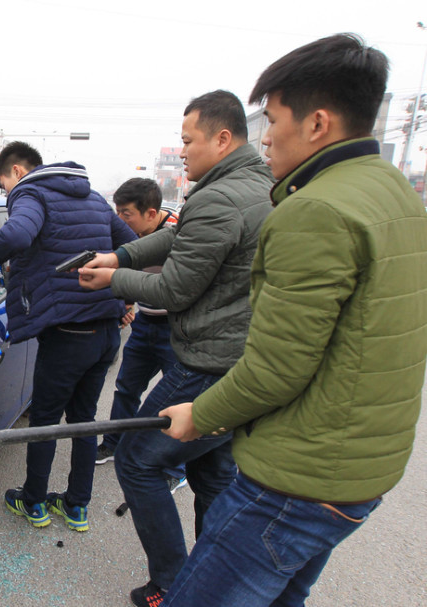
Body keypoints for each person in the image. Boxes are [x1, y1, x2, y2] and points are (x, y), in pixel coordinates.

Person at [158, 34, 427, 607]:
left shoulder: (315, 211)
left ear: (318, 124)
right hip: (357, 471)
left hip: (296, 479)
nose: (266, 136)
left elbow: (277, 368)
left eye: (273, 118)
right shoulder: (394, 194)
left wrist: (199, 415)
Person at [78, 90, 274, 607]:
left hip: (207, 362)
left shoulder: (219, 197)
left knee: (139, 462)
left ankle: (171, 583)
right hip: (241, 359)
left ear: (222, 138)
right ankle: (216, 581)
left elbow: (172, 290)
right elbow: (175, 238)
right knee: (212, 472)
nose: (182, 151)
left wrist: (113, 278)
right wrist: (119, 253)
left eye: (188, 141)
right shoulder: (254, 184)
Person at [0, 141, 137, 532]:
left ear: (18, 172)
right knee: (83, 420)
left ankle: (34, 501)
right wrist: (123, 294)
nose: (8, 196)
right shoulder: (92, 197)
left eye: (5, 187)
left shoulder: (31, 192)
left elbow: (17, 235)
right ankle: (77, 506)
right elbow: (132, 245)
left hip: (68, 336)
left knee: (44, 420)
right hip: (106, 332)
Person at [95, 178, 179, 468]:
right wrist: (126, 304)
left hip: (177, 329)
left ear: (151, 214)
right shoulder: (128, 235)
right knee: (127, 388)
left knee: (176, 398)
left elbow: (174, 285)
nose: (121, 220)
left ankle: (174, 467)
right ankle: (113, 443)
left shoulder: (180, 235)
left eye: (126, 213)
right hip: (145, 324)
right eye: (118, 212)